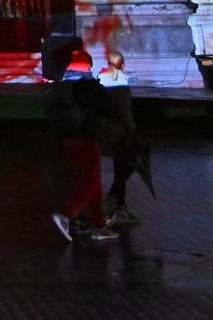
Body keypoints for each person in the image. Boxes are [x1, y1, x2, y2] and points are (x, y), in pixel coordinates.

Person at [43, 50, 117, 242]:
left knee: (90, 181)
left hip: (65, 138)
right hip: (86, 136)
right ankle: (67, 215)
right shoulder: (88, 84)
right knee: (92, 181)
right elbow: (108, 108)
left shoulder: (60, 85)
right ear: (89, 65)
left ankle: (98, 224)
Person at [94, 48, 143, 223]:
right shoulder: (121, 82)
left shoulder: (101, 81)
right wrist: (131, 130)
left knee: (121, 167)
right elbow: (125, 112)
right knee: (129, 164)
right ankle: (115, 200)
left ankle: (118, 206)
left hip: (109, 131)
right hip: (122, 132)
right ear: (123, 64)